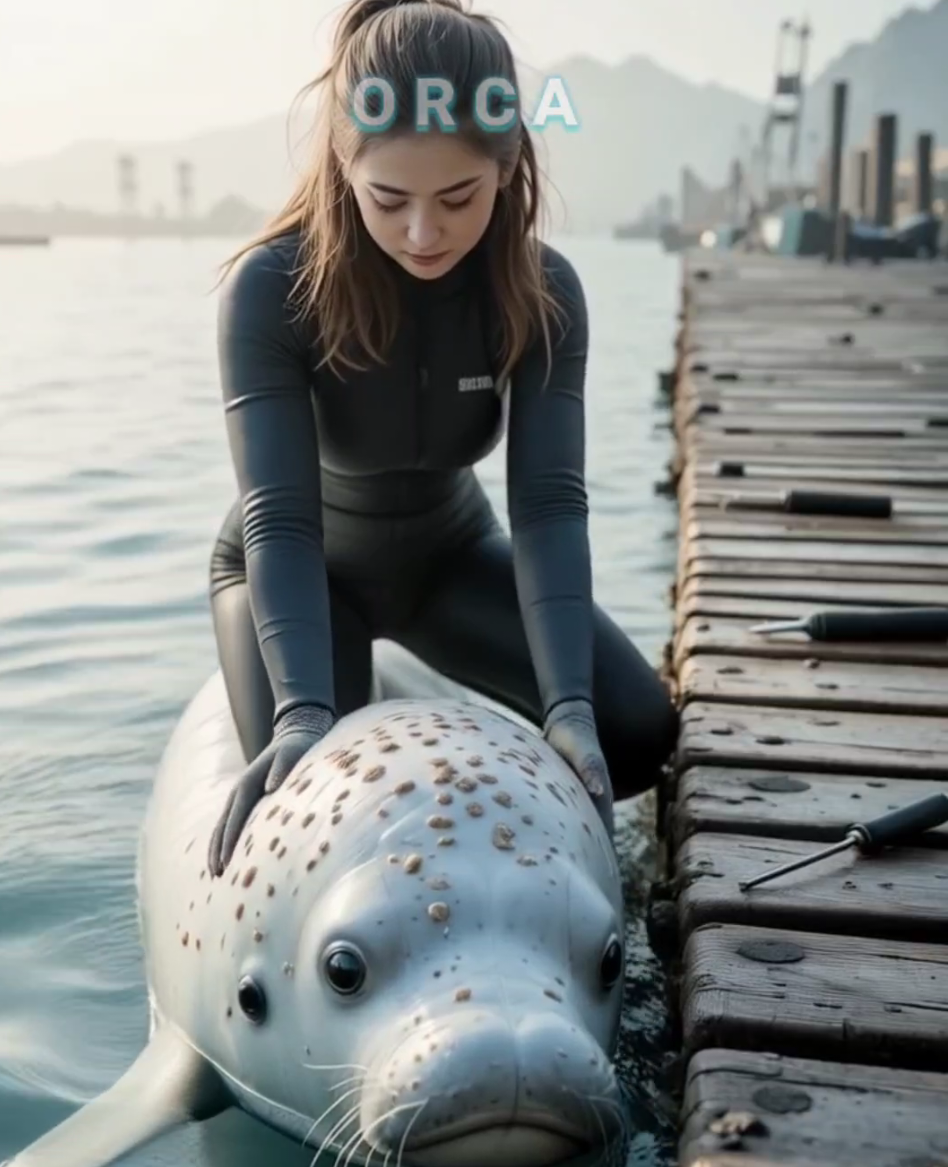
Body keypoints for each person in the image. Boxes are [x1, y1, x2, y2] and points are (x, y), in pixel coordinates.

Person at [206, 0, 678, 877]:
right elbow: (278, 517)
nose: (425, 234)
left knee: (639, 734)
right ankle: (319, 686)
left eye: (458, 198)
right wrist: (303, 710)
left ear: (507, 169)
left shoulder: (543, 292)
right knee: (334, 806)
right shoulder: (271, 287)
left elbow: (544, 505)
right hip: (304, 565)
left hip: (447, 559)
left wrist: (569, 705)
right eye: (390, 199)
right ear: (344, 168)